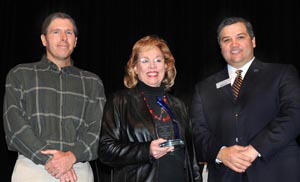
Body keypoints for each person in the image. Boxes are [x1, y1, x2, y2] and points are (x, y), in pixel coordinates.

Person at [190, 16, 300, 182]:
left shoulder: (282, 74)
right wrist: (221, 152)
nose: (234, 44)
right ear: (220, 47)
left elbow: (294, 115)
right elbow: (197, 131)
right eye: (227, 40)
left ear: (253, 41)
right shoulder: (203, 88)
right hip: (225, 176)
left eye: (240, 37)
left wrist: (255, 149)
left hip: (276, 172)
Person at [3, 12, 106, 182]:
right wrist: (51, 160)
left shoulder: (92, 82)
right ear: (44, 39)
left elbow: (98, 129)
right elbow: (15, 127)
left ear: (75, 41)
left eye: (69, 32)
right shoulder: (20, 74)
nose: (63, 37)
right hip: (32, 168)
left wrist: (71, 156)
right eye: (56, 32)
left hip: (77, 169)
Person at [98, 34, 201, 182]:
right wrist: (147, 150)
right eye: (145, 61)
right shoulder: (119, 101)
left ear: (166, 66)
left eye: (158, 60)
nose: (152, 66)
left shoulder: (179, 106)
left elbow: (191, 158)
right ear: (135, 68)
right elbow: (105, 151)